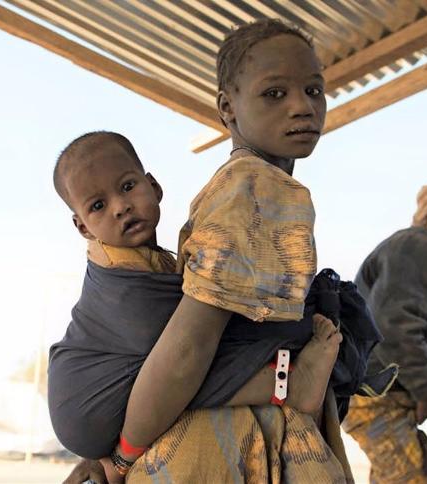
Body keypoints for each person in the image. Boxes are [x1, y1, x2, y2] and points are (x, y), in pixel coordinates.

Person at [65, 18, 361, 483]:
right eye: (274, 94)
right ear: (228, 107)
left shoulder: (239, 185)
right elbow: (187, 347)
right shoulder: (255, 187)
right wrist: (121, 458)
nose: (302, 106)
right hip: (226, 450)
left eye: (314, 90)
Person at [48, 131, 343, 460]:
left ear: (154, 188)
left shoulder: (152, 260)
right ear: (84, 228)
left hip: (98, 408)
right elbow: (184, 350)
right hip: (88, 404)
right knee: (187, 359)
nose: (120, 207)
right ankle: (286, 383)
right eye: (98, 206)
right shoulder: (120, 282)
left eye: (128, 186)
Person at [342, 177, 427, 483]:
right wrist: (425, 387)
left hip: (385, 395)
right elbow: (396, 323)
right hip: (378, 397)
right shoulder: (419, 244)